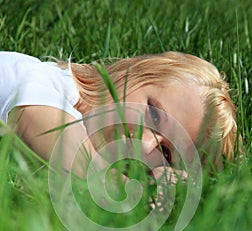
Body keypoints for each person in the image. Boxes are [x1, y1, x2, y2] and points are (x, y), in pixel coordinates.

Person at [0, 51, 239, 180]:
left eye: (166, 153)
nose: (145, 146)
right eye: (154, 116)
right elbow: (45, 128)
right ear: (131, 73)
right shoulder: (40, 80)